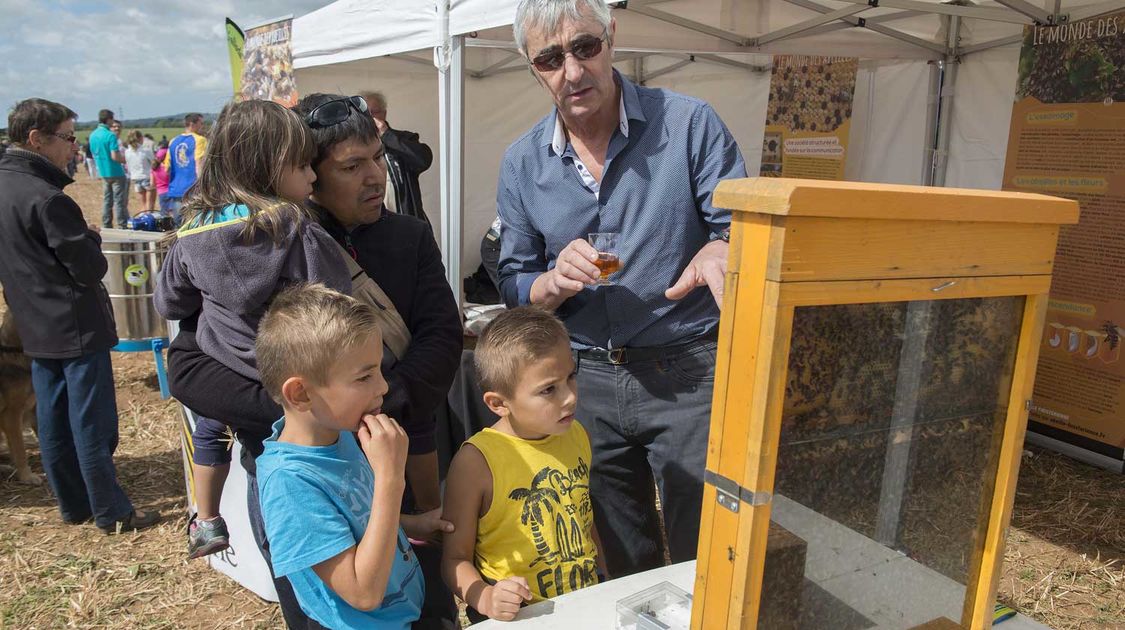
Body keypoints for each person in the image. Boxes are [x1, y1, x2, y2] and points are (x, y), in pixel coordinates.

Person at [165, 94, 462, 628]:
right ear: (305, 175)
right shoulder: (257, 239)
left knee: (422, 602)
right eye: (351, 166)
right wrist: (308, 411)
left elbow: (442, 338)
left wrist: (378, 402)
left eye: (377, 157)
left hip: (397, 455)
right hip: (294, 469)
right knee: (322, 612)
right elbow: (187, 366)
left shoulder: (408, 237)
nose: (376, 177)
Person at [497, 0, 747, 577]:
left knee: (705, 544)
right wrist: (552, 283)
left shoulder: (687, 123)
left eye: (586, 47)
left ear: (612, 36)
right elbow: (512, 280)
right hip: (585, 384)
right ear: (530, 64)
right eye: (551, 58)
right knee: (616, 547)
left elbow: (739, 225)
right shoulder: (520, 163)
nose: (574, 71)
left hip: (688, 371)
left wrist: (721, 245)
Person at [154, 100, 351, 560]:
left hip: (228, 380)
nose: (313, 176)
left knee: (263, 481)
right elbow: (336, 306)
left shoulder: (191, 235)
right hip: (296, 382)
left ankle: (260, 553)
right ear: (265, 169)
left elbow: (169, 301)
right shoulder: (300, 231)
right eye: (301, 164)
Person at [0, 97, 160, 534]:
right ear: (36, 139)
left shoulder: (6, 186)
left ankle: (72, 504)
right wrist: (89, 238)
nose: (74, 147)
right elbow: (90, 268)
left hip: (32, 325)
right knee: (91, 422)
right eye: (68, 138)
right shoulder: (48, 198)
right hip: (73, 325)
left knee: (52, 416)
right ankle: (111, 510)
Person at [255, 283, 454, 629]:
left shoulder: (338, 434)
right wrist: (391, 478)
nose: (383, 387)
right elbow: (363, 593)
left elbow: (357, 521)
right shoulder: (290, 485)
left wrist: (413, 524)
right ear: (301, 394)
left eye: (378, 369)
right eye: (364, 376)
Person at [442, 306, 600, 622]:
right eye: (548, 389)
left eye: (571, 377)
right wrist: (485, 597)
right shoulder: (475, 463)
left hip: (585, 606)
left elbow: (584, 519)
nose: (569, 397)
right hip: (519, 618)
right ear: (498, 404)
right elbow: (454, 560)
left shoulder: (576, 434)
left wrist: (605, 581)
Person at [360, 91, 433, 224]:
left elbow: (422, 160)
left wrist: (386, 134)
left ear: (384, 113)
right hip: (370, 225)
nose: (370, 118)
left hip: (407, 221)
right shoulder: (353, 146)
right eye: (365, 113)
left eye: (374, 112)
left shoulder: (404, 139)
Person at [163, 113, 207, 222]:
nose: (203, 126)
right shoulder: (200, 140)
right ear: (193, 124)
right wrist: (203, 185)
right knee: (194, 222)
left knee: (178, 222)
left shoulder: (173, 141)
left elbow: (167, 168)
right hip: (193, 188)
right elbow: (199, 164)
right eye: (201, 123)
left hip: (176, 187)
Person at [88, 109, 129, 228]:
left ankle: (106, 224)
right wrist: (127, 160)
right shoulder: (110, 135)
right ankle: (122, 224)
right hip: (116, 171)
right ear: (109, 119)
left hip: (103, 171)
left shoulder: (93, 135)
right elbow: (115, 156)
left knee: (107, 200)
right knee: (119, 201)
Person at [124, 130, 155, 213]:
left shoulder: (127, 152)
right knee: (150, 204)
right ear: (140, 138)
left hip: (135, 178)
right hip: (147, 177)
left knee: (143, 204)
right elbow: (153, 163)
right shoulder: (145, 150)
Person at [151, 146, 172, 215]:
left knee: (164, 213)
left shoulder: (153, 169)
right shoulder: (167, 168)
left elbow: (152, 183)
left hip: (161, 193)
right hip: (171, 191)